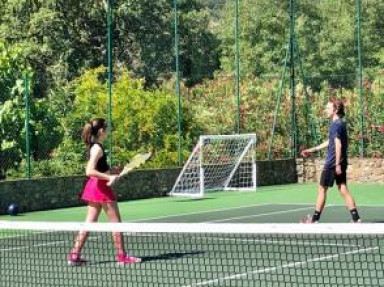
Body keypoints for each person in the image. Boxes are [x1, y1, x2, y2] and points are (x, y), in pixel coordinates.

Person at [67, 118, 141, 266]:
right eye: (107, 129)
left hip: (94, 187)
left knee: (90, 222)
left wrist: (114, 171)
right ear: (101, 131)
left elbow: (99, 169)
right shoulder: (98, 149)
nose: (108, 132)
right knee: (116, 223)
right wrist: (109, 177)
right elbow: (89, 170)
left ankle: (74, 255)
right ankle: (122, 256)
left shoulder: (94, 146)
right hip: (100, 187)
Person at [301, 99, 361, 223]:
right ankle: (356, 218)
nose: (325, 110)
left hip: (333, 162)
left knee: (322, 189)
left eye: (328, 108)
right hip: (340, 161)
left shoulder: (336, 124)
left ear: (335, 110)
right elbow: (331, 141)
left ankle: (314, 220)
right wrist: (313, 149)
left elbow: (338, 145)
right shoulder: (340, 123)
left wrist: (337, 164)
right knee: (343, 188)